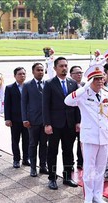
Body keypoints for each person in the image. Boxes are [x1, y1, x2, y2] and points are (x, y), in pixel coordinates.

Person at [64, 63, 108, 203]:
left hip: (104, 136)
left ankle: (97, 196)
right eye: (96, 79)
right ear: (90, 81)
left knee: (100, 169)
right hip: (90, 137)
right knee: (88, 169)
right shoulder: (83, 95)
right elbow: (67, 101)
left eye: (101, 78)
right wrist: (84, 87)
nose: (100, 81)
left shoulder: (107, 95)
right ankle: (88, 197)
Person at [42, 57, 80, 190]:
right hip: (54, 124)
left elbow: (76, 105)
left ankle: (67, 177)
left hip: (69, 124)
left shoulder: (73, 83)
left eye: (66, 66)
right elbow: (45, 106)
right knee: (52, 152)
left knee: (68, 151)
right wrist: (47, 124)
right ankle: (52, 178)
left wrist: (77, 122)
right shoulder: (49, 83)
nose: (64, 68)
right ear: (55, 68)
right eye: (61, 66)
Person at [21, 62, 48, 177]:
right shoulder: (27, 85)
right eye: (38, 70)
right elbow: (23, 103)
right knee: (33, 144)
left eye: (42, 70)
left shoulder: (47, 84)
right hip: (32, 121)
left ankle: (43, 165)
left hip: (45, 121)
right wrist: (25, 119)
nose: (40, 72)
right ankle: (33, 167)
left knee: (44, 144)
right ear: (33, 72)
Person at [4, 67, 30, 168]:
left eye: (24, 74)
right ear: (15, 76)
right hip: (15, 119)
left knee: (27, 140)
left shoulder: (29, 87)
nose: (22, 76)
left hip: (27, 119)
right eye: (19, 74)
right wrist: (7, 118)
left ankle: (26, 158)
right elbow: (7, 104)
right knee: (15, 140)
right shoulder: (10, 88)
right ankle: (16, 159)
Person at [70, 65, 85, 169]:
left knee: (82, 143)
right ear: (71, 75)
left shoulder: (85, 86)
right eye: (76, 73)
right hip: (71, 119)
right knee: (69, 144)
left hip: (84, 120)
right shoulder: (69, 85)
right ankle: (70, 163)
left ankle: (81, 161)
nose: (79, 74)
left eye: (80, 72)